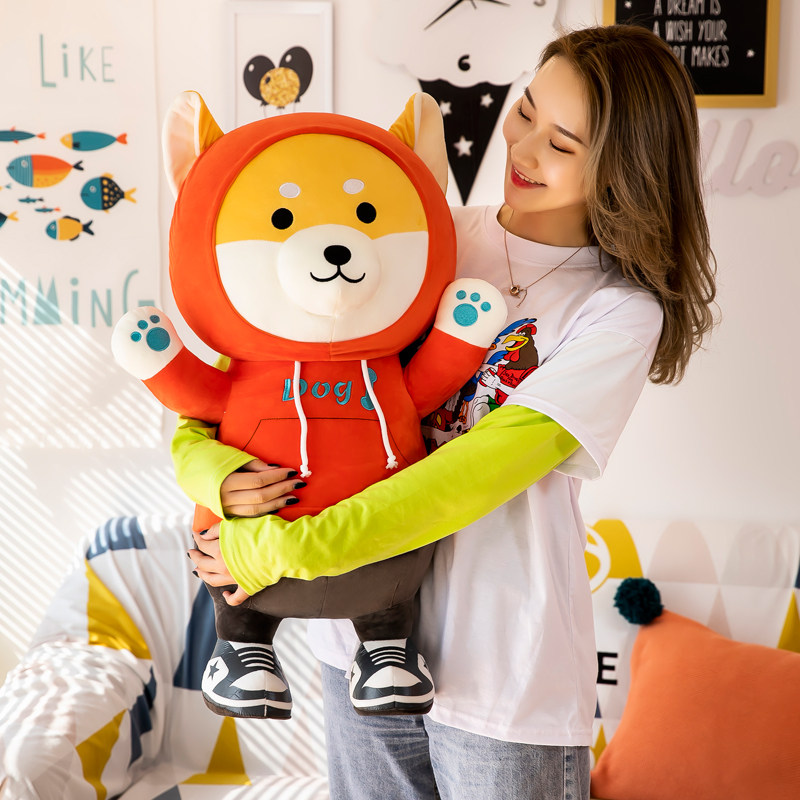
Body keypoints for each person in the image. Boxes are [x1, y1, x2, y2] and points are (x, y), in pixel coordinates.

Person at [183, 24, 716, 800]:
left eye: (562, 143)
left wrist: (281, 550)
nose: (522, 148)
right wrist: (215, 482)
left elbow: (467, 479)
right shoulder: (419, 236)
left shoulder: (618, 313)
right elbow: (254, 376)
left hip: (504, 671)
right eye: (525, 110)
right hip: (357, 640)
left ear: (622, 168)